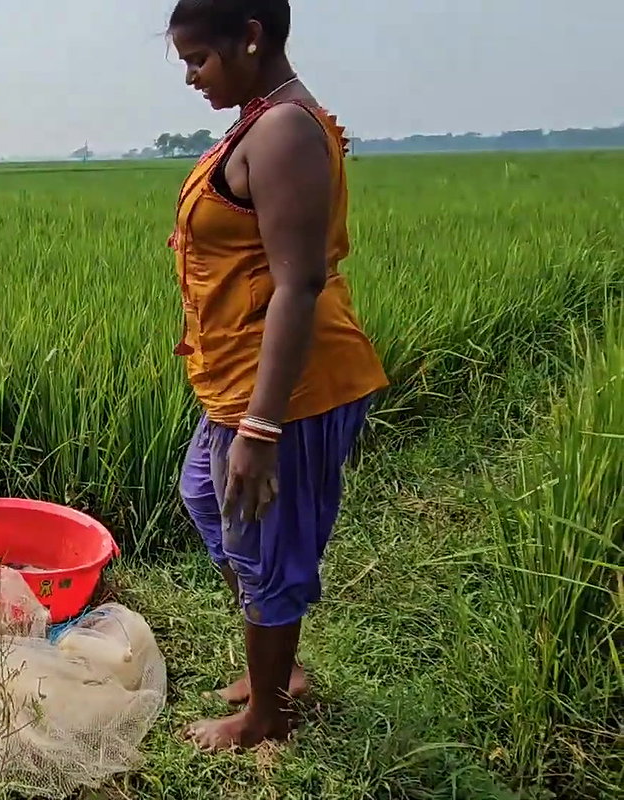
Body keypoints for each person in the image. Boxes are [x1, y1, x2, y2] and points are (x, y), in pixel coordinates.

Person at [165, 0, 389, 750]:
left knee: (265, 541)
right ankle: (277, 665)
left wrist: (261, 428)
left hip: (286, 389)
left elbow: (299, 283)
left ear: (251, 39)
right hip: (239, 377)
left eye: (199, 59)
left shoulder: (284, 130)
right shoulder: (262, 120)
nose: (192, 78)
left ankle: (267, 716)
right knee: (207, 497)